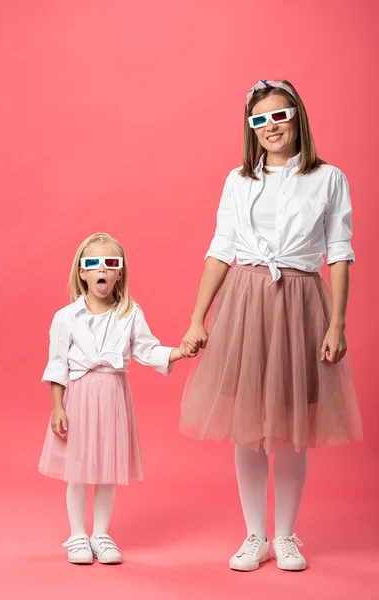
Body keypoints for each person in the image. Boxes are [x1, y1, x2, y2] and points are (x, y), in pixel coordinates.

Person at [179, 80, 363, 572]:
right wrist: (198, 317)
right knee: (248, 427)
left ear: (297, 117)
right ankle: (254, 534)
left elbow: (339, 254)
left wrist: (337, 324)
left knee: (291, 428)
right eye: (259, 120)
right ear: (250, 128)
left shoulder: (329, 178)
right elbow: (221, 249)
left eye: (278, 116)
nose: (270, 127)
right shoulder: (239, 181)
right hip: (246, 304)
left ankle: (285, 535)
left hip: (301, 303)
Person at [39, 232, 197, 564]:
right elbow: (57, 364)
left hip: (113, 396)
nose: (102, 269)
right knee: (79, 469)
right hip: (79, 396)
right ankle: (78, 534)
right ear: (82, 272)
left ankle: (101, 533)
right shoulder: (65, 317)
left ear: (119, 272)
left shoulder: (130, 313)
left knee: (107, 468)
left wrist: (179, 352)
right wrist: (57, 407)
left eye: (111, 263)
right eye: (93, 263)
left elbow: (147, 350)